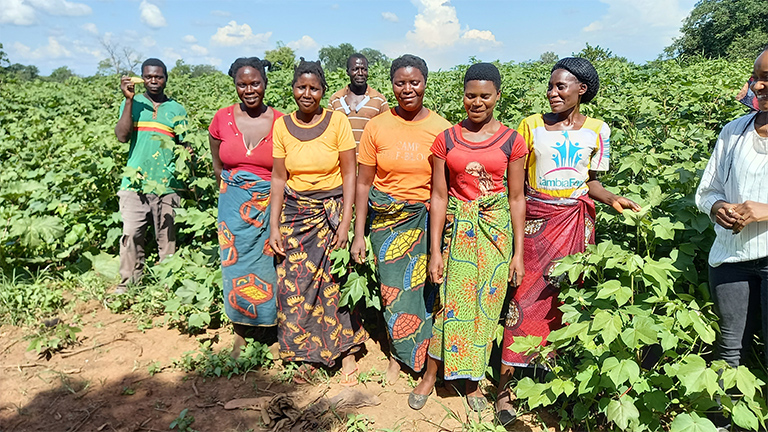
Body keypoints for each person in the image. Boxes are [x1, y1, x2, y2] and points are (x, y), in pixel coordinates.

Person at [497, 57, 640, 424]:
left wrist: (610, 198)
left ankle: (550, 384)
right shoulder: (530, 126)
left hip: (574, 221)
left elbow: (591, 180)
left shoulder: (598, 130)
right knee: (523, 298)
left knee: (564, 301)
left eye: (562, 86)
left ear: (582, 90)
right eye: (551, 86)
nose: (553, 93)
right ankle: (506, 387)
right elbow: (516, 181)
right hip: (536, 222)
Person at [409, 63, 528, 412]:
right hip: (457, 231)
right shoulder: (446, 139)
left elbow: (516, 198)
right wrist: (434, 252)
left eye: (485, 96)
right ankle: (432, 375)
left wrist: (518, 254)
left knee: (485, 309)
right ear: (463, 96)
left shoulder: (512, 141)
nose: (477, 102)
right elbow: (439, 196)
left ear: (498, 96)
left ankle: (473, 382)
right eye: (471, 95)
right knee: (446, 305)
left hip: (495, 233)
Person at [351, 54, 451, 384]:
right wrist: (357, 233)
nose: (407, 89)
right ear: (391, 84)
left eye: (414, 82)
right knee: (392, 291)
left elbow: (445, 187)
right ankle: (397, 355)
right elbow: (364, 183)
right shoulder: (378, 126)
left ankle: (425, 357)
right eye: (400, 82)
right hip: (386, 221)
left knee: (426, 291)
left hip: (425, 221)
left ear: (425, 82)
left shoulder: (441, 128)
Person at [268, 59, 368, 384]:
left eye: (314, 88)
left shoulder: (337, 121)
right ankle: (305, 355)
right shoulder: (282, 126)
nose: (307, 93)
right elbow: (279, 177)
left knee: (334, 283)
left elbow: (350, 172)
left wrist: (346, 222)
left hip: (332, 211)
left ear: (323, 91)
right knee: (296, 286)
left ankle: (347, 353)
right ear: (293, 89)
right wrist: (273, 226)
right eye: (301, 87)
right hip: (296, 214)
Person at [696, 47, 768, 370]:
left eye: (766, 79)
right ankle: (726, 420)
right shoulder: (733, 131)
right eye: (756, 78)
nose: (756, 87)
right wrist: (718, 208)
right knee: (730, 352)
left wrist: (764, 210)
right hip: (731, 259)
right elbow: (706, 191)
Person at [209, 57, 284, 358]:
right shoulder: (221, 118)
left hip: (270, 204)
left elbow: (284, 169)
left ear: (265, 84)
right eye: (242, 84)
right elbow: (218, 164)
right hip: (233, 206)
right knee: (234, 265)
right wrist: (235, 193)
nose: (249, 89)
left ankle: (274, 330)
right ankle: (240, 331)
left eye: (255, 83)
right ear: (235, 85)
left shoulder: (281, 121)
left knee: (273, 265)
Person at [113, 58, 188, 295]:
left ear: (166, 78)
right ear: (142, 78)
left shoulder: (177, 109)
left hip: (168, 184)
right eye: (148, 76)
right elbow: (122, 136)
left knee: (167, 239)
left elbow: (184, 145)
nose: (153, 81)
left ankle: (167, 285)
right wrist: (128, 100)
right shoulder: (133, 104)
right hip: (134, 182)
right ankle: (129, 283)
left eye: (158, 76)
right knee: (132, 234)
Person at [328, 53, 389, 148]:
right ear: (347, 72)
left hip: (369, 161)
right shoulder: (336, 99)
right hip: (342, 161)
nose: (360, 73)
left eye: (364, 69)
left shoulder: (379, 100)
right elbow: (330, 133)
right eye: (355, 69)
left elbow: (386, 133)